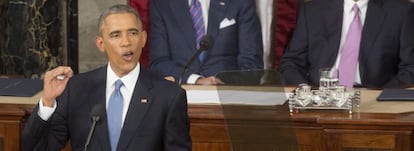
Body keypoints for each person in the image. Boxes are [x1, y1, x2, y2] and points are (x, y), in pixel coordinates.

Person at [22, 4, 191, 151]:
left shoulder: (169, 96)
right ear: (100, 44)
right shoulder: (76, 89)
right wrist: (47, 103)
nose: (126, 42)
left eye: (132, 33)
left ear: (143, 39)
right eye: (116, 35)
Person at [279, 0, 414, 88]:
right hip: (319, 96)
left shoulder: (402, 11)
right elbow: (291, 62)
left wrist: (383, 95)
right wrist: (304, 89)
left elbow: (410, 67)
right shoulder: (312, 10)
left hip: (374, 100)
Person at [149, 0, 264, 85]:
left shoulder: (240, 2)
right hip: (181, 96)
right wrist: (195, 80)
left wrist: (222, 83)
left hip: (228, 98)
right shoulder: (162, 4)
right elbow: (159, 63)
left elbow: (252, 64)